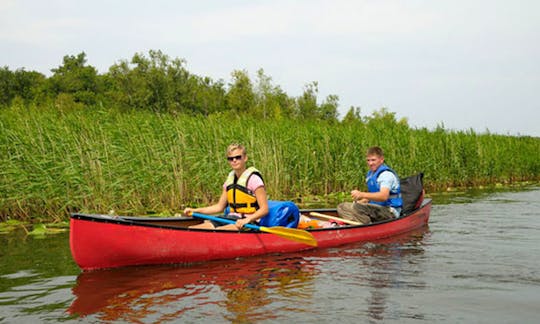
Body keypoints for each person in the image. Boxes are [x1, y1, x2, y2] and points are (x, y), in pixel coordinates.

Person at [184, 143, 269, 230]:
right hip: (230, 219)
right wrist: (195, 210)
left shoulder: (254, 180)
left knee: (219, 232)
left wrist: (247, 219)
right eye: (231, 159)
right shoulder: (229, 181)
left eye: (238, 157)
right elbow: (219, 207)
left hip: (248, 222)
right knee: (193, 229)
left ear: (245, 158)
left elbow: (264, 209)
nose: (234, 160)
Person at [337, 146, 402, 224]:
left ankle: (365, 226)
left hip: (389, 211)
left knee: (357, 208)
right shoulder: (371, 174)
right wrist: (362, 201)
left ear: (381, 160)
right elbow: (372, 195)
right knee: (342, 207)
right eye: (368, 160)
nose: (370, 163)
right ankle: (358, 224)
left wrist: (361, 194)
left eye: (373, 160)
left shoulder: (386, 175)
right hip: (376, 209)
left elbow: (383, 196)